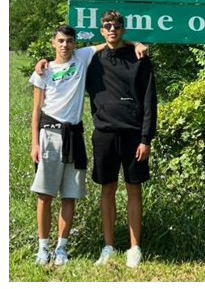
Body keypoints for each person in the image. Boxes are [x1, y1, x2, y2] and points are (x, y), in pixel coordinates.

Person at [29, 25, 146, 266]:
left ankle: (62, 247)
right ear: (53, 43)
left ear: (74, 43)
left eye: (69, 41)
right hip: (49, 134)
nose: (65, 45)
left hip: (75, 135)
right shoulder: (43, 71)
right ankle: (42, 247)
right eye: (60, 41)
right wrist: (34, 143)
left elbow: (112, 41)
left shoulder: (82, 56)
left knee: (69, 195)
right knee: (45, 194)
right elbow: (35, 111)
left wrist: (136, 44)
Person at [87, 10, 157, 268]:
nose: (112, 29)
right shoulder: (91, 60)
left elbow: (150, 101)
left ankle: (134, 248)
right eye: (107, 26)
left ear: (123, 29)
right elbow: (64, 58)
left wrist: (146, 138)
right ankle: (108, 247)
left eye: (117, 25)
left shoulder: (140, 58)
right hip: (104, 134)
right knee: (107, 189)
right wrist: (42, 63)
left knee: (134, 189)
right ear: (101, 30)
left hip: (134, 135)